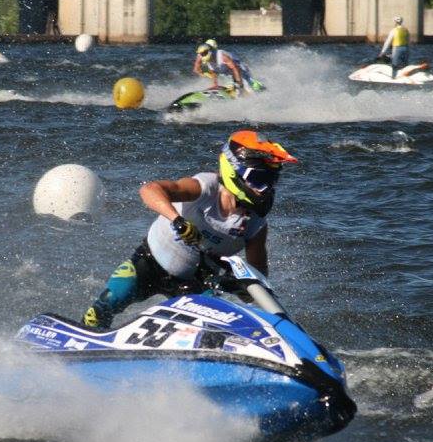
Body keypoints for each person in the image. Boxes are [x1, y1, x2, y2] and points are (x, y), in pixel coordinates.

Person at [82, 130, 297, 329]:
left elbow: (257, 280)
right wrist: (177, 220)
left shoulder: (255, 225)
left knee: (210, 332)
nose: (265, 190)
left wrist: (238, 286)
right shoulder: (204, 187)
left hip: (198, 284)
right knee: (105, 306)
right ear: (234, 172)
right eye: (258, 180)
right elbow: (149, 190)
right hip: (148, 264)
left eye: (271, 181)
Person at [193, 39, 264, 94]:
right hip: (227, 72)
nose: (202, 55)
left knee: (246, 88)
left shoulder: (223, 57)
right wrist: (214, 84)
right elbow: (211, 71)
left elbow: (236, 68)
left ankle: (257, 87)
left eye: (204, 53)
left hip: (240, 69)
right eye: (201, 54)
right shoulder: (201, 56)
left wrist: (239, 83)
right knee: (230, 87)